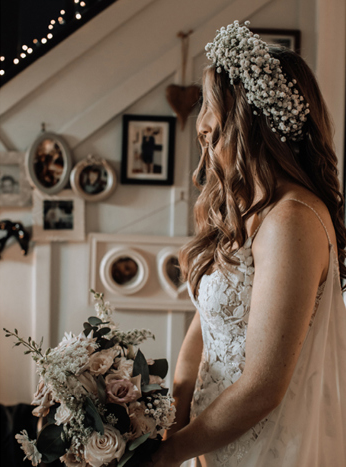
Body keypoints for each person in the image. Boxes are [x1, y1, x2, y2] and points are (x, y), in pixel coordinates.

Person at [147, 22, 346, 466]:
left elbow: (263, 386)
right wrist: (169, 430)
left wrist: (172, 452)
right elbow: (202, 333)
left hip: (263, 448)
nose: (204, 165)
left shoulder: (292, 219)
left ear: (249, 128)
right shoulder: (249, 213)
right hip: (210, 441)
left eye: (212, 136)